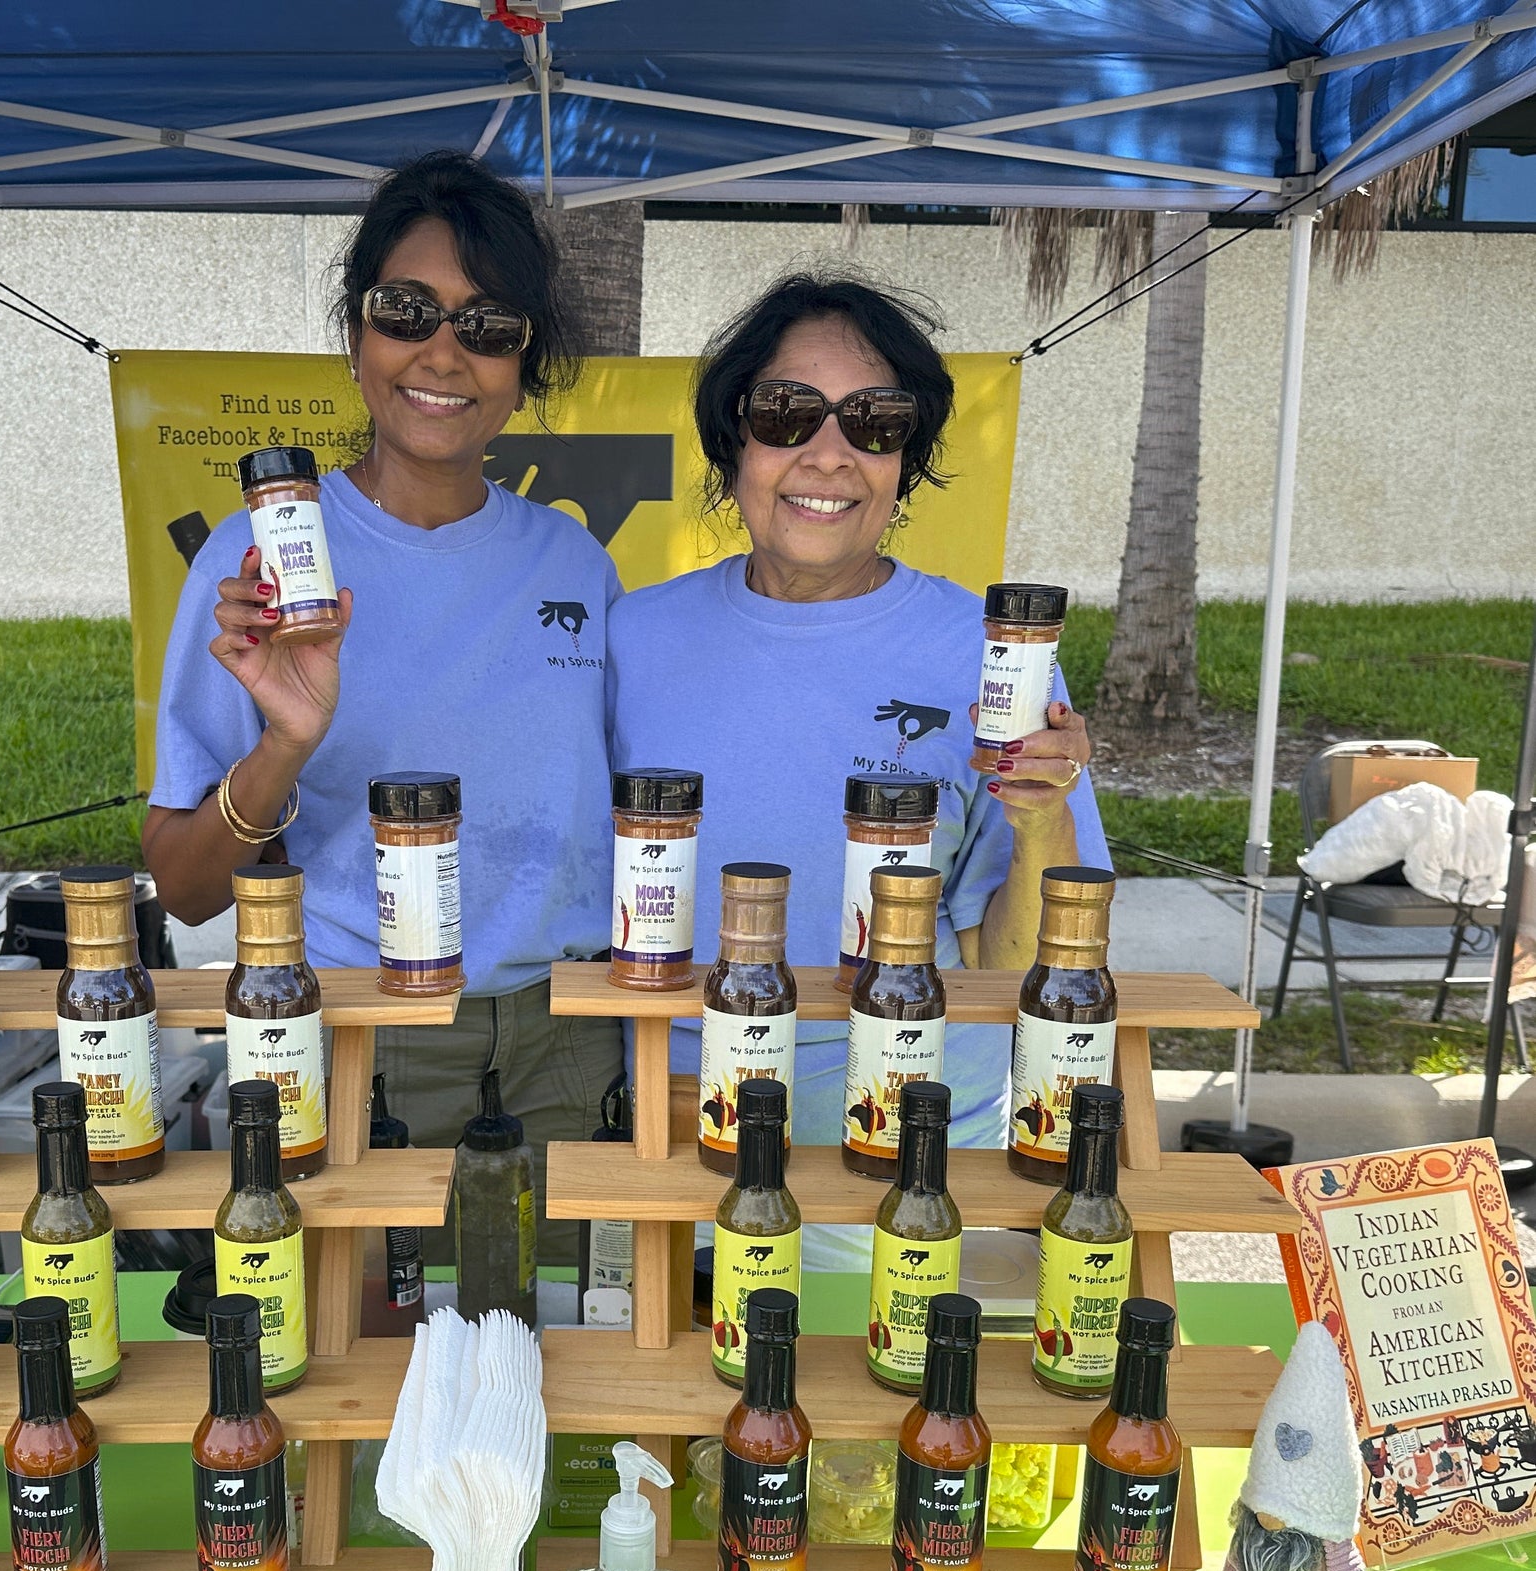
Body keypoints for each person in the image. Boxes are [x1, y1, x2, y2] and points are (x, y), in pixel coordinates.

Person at [144, 152, 621, 1265]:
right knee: (352, 1402)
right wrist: (286, 742)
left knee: (553, 1382)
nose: (442, 352)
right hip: (351, 1041)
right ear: (357, 335)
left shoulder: (573, 562)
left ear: (522, 364)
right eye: (406, 311)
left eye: (487, 324)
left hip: (567, 1046)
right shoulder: (263, 558)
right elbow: (184, 886)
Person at [608, 273, 1111, 1271]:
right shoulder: (635, 634)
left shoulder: (990, 653)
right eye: (786, 413)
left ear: (905, 460)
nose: (826, 454)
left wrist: (1039, 816)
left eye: (874, 421)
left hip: (910, 1151)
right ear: (732, 440)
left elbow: (1019, 966)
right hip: (680, 1137)